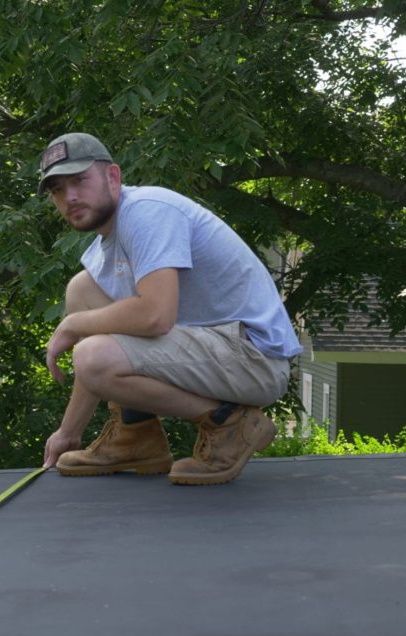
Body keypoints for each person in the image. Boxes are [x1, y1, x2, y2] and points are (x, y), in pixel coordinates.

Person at [38, 132, 302, 485]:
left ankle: (229, 424)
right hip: (217, 348)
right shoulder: (106, 250)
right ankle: (136, 434)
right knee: (81, 291)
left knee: (90, 351)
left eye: (79, 180)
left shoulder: (148, 211)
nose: (69, 196)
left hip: (254, 358)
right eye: (57, 189)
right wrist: (68, 433)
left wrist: (73, 327)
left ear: (112, 177)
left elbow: (155, 316)